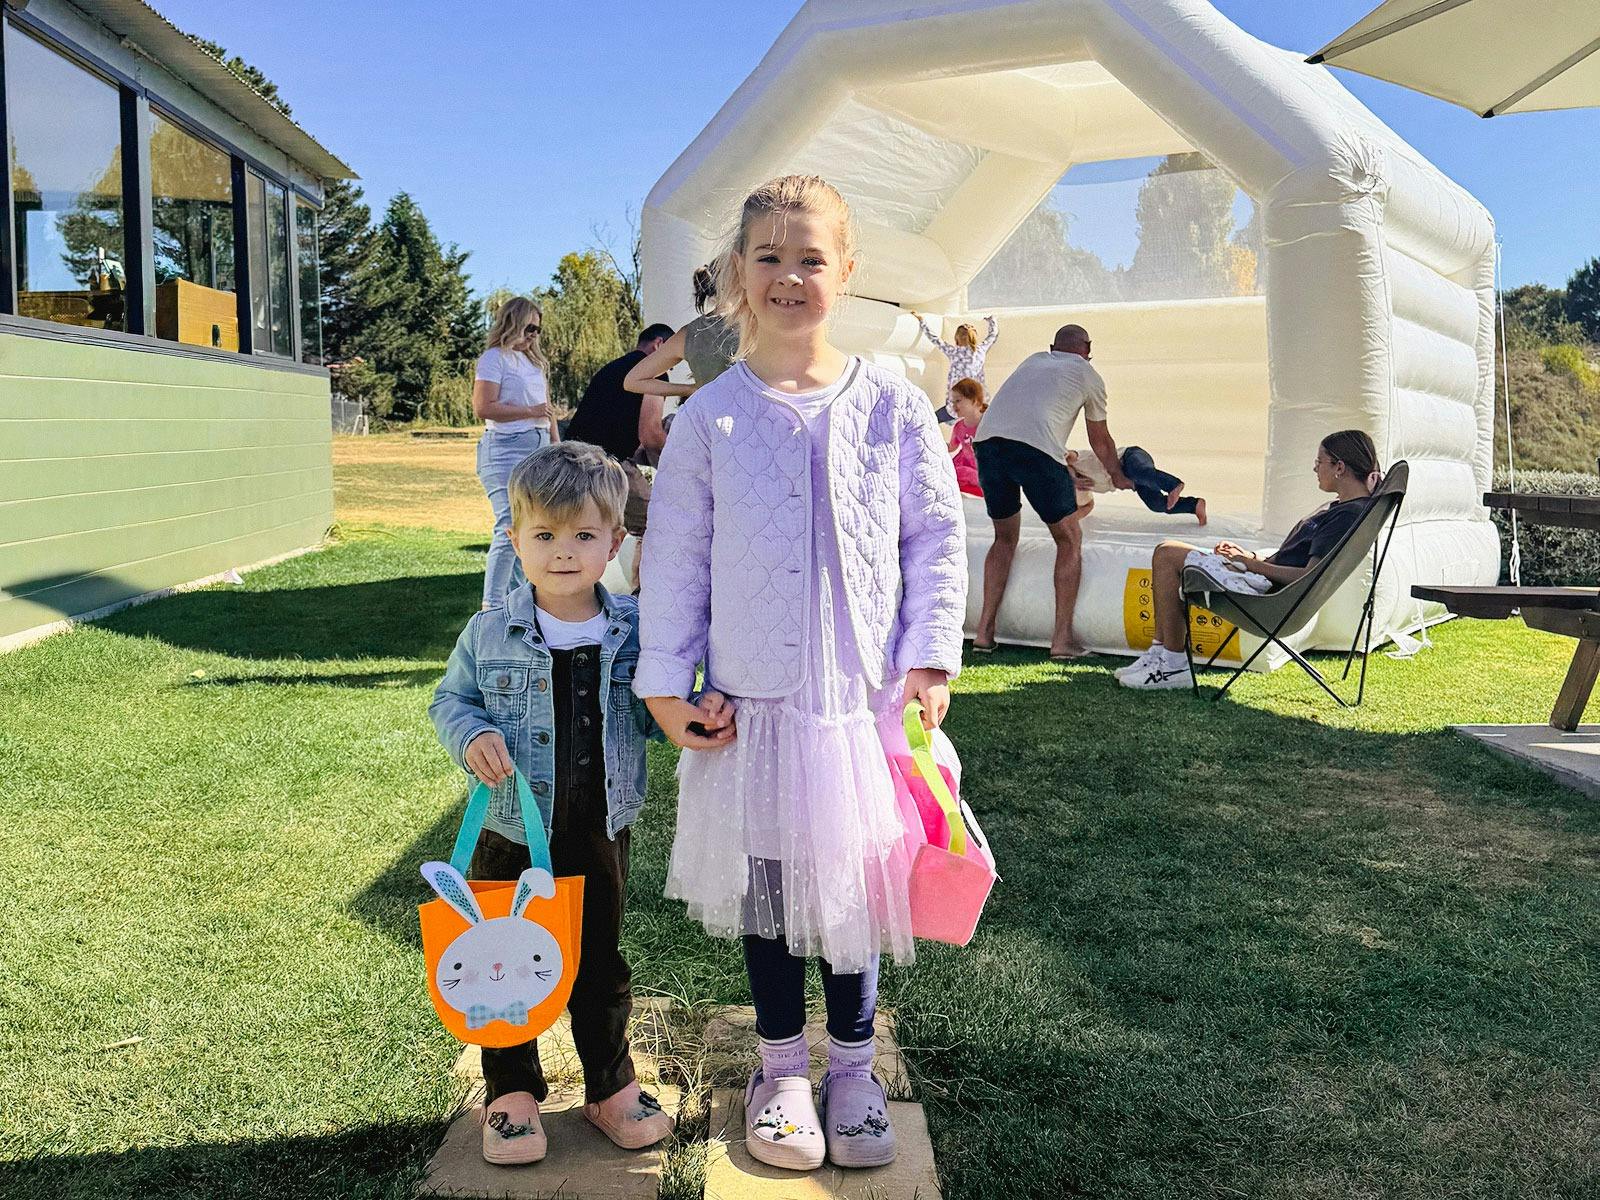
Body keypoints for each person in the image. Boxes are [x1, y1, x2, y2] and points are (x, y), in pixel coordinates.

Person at [636, 175, 966, 1174]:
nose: (788, 276)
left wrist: (927, 656)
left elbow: (934, 536)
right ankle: (782, 1072)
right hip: (754, 705)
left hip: (860, 705)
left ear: (846, 271)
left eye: (810, 258)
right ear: (736, 276)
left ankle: (854, 1071)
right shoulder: (708, 420)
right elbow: (676, 560)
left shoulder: (893, 409)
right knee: (773, 888)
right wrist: (663, 681)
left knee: (856, 885)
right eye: (769, 258)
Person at [429, 442, 735, 1165]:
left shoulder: (635, 631)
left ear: (614, 544)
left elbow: (653, 710)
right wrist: (470, 731)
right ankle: (510, 1093)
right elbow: (452, 698)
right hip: (509, 828)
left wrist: (693, 711)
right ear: (515, 541)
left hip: (601, 827)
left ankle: (608, 1086)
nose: (562, 553)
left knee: (598, 960)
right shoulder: (489, 629)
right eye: (544, 536)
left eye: (582, 536)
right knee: (499, 958)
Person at [1118, 429, 1384, 690]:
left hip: (1271, 598)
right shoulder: (1346, 509)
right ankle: (1160, 653)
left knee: (1167, 554)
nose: (1315, 469)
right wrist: (1249, 556)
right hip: (1267, 582)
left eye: (1319, 462)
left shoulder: (1345, 516)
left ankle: (1174, 663)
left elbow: (1306, 576)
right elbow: (1294, 559)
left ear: (1339, 467)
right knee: (1168, 552)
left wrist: (1252, 565)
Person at [971, 324, 1130, 660]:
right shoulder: (1088, 375)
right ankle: (1062, 641)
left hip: (987, 445)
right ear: (1088, 349)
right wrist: (1116, 474)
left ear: (1052, 347)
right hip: (1036, 450)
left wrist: (1065, 468)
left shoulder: (1033, 360)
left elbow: (1029, 417)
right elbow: (1099, 440)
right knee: (1068, 538)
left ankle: (984, 633)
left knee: (1004, 538)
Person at [473, 297, 558, 610]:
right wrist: (529, 411)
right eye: (530, 328)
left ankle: (517, 601)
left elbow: (546, 411)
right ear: (514, 323)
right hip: (505, 449)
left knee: (530, 526)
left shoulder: (534, 364)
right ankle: (492, 606)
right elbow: (483, 408)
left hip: (538, 447)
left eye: (538, 329)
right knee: (509, 523)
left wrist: (556, 447)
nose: (535, 335)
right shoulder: (494, 359)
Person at [1068, 444, 1207, 525]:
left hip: (1129, 457)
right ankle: (1194, 506)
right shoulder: (1080, 491)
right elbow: (1088, 505)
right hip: (1134, 482)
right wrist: (1070, 519)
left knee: (1139, 472)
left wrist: (1074, 477)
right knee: (1156, 504)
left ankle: (1173, 484)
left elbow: (1061, 457)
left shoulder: (1075, 461)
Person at [911, 311, 998, 413]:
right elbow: (993, 335)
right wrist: (992, 320)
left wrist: (922, 321)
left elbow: (934, 339)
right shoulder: (981, 350)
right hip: (977, 406)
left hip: (957, 408)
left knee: (934, 419)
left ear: (957, 338)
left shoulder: (953, 352)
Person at [946, 378, 986, 498]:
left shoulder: (987, 423)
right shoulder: (959, 427)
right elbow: (952, 447)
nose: (954, 406)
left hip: (985, 470)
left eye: (958, 401)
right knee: (954, 473)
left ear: (974, 401)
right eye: (952, 402)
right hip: (968, 468)